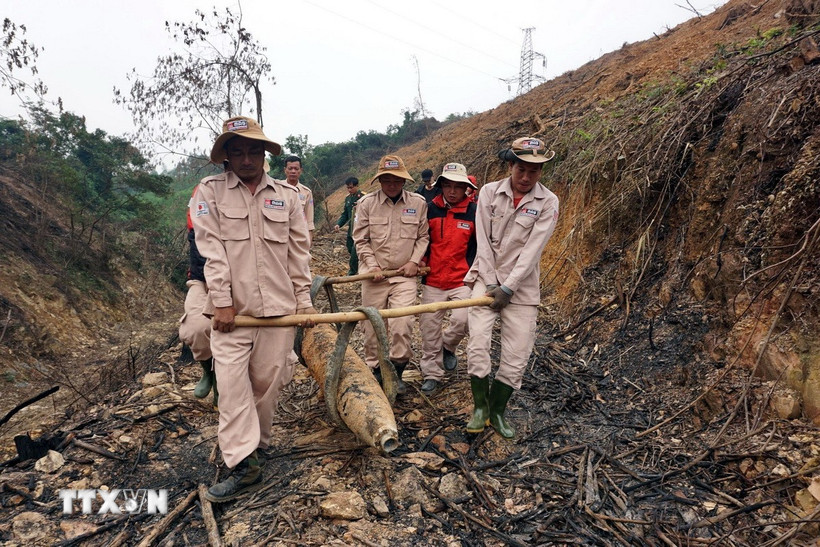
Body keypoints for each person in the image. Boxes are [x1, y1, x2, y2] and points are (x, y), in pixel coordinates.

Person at [192, 116, 316, 502]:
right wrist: (223, 301)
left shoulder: (288, 197)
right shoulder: (208, 192)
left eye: (253, 151)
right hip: (231, 316)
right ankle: (242, 465)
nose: (246, 159)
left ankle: (257, 447)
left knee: (267, 385)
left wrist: (305, 302)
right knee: (231, 388)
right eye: (238, 151)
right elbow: (210, 249)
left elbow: (299, 254)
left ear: (265, 155)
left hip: (279, 311)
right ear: (226, 156)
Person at [464, 137, 559, 439]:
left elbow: (533, 250)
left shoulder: (548, 202)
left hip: (522, 286)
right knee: (478, 341)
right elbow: (482, 241)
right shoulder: (489, 193)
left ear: (541, 171)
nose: (526, 177)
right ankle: (479, 407)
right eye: (521, 169)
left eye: (534, 171)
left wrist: (509, 287)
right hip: (486, 278)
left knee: (517, 352)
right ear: (511, 166)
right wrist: (492, 283)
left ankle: (497, 411)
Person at [353, 155, 429, 394]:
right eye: (386, 179)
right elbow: (361, 239)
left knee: (402, 323)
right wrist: (372, 265)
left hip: (403, 275)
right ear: (380, 180)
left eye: (396, 179)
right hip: (373, 275)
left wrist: (414, 261)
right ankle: (375, 371)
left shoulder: (418, 203)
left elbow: (423, 237)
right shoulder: (366, 204)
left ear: (404, 180)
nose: (392, 184)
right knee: (372, 325)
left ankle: (397, 371)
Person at [417, 163, 477, 393]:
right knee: (429, 328)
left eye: (458, 187)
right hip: (433, 279)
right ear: (441, 186)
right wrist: (421, 259)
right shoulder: (430, 209)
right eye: (448, 186)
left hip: (461, 279)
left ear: (466, 189)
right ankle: (432, 374)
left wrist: (474, 272)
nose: (452, 191)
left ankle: (448, 346)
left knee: (464, 319)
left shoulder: (473, 212)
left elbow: (480, 246)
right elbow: (421, 239)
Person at [179, 184, 218, 407]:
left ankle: (223, 378)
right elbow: (196, 239)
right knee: (194, 327)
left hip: (238, 277)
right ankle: (208, 370)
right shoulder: (202, 191)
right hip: (202, 276)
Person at [333, 176, 364, 276]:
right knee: (350, 247)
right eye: (348, 188)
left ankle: (352, 272)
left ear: (357, 186)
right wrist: (339, 224)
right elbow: (345, 214)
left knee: (355, 252)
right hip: (351, 229)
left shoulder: (363, 197)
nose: (349, 189)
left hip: (361, 229)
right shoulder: (348, 199)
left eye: (351, 187)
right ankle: (361, 266)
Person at [283, 155, 315, 245]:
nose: (293, 171)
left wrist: (307, 246)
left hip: (298, 238)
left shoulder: (306, 192)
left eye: (296, 169)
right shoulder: (276, 189)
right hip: (279, 237)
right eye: (290, 168)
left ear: (301, 170)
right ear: (285, 170)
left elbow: (309, 221)